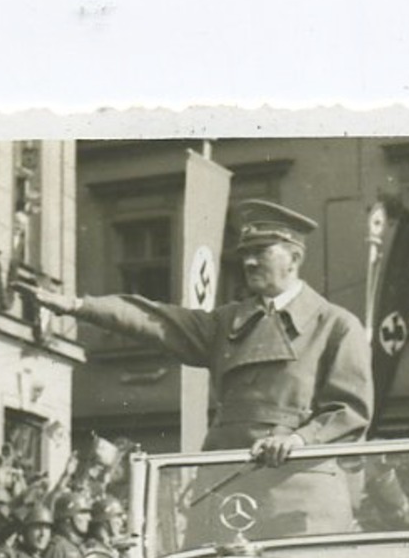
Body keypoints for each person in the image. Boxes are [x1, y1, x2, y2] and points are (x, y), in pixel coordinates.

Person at [23, 199, 372, 465]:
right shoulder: (227, 322)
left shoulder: (336, 326)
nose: (248, 262)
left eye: (260, 252)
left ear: (293, 260)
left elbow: (350, 412)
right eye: (245, 253)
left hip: (299, 486)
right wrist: (77, 305)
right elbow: (153, 319)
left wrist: (299, 441)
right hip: (227, 473)